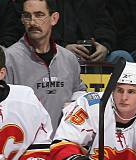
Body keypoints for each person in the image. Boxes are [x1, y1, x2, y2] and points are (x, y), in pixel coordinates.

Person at [6, 0, 87, 134]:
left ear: (54, 18)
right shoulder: (9, 58)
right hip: (26, 146)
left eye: (39, 15)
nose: (32, 22)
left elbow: (79, 93)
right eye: (27, 16)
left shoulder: (69, 58)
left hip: (64, 143)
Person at [50, 0, 129, 65]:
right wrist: (64, 48)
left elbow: (105, 25)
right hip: (58, 52)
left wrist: (105, 46)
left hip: (93, 55)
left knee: (122, 56)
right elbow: (41, 32)